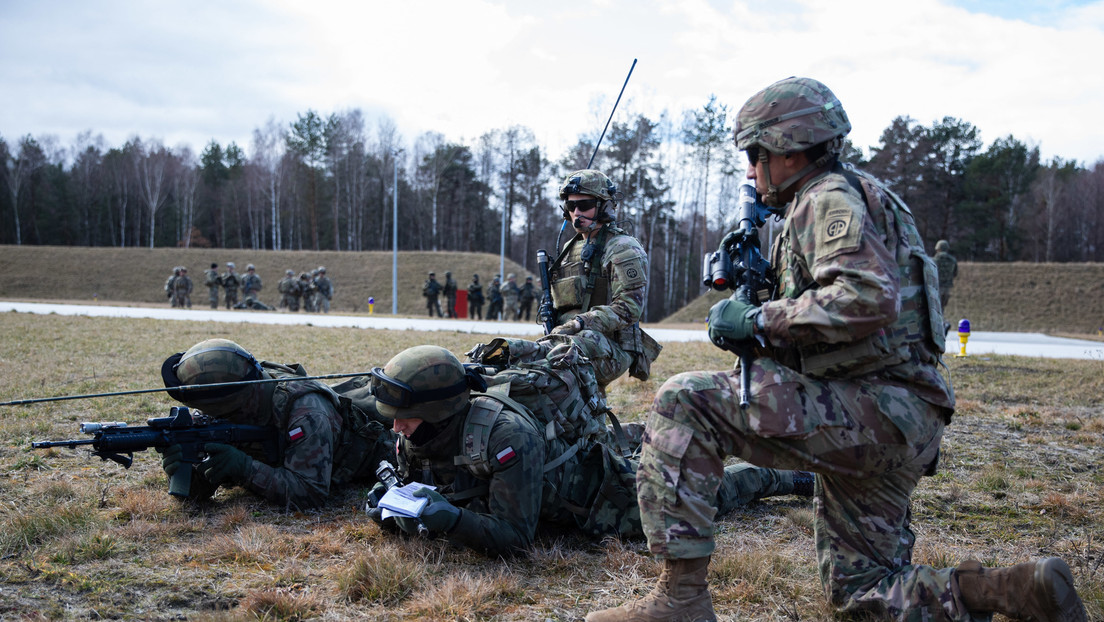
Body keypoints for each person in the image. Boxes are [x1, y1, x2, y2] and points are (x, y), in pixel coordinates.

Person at [587, 77, 1087, 622]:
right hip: (899, 417)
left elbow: (866, 297)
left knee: (684, 402)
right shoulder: (865, 197)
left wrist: (757, 318)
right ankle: (1012, 592)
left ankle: (680, 600)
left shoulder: (824, 199)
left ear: (791, 148)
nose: (751, 170)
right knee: (861, 592)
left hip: (869, 410)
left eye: (756, 154)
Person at [365, 345, 814, 559]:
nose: (396, 427)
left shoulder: (504, 437)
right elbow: (427, 486)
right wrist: (391, 506)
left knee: (693, 498)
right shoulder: (416, 430)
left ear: (440, 410)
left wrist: (453, 520)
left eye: (405, 418)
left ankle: (783, 475)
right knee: (637, 440)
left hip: (599, 496)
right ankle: (651, 435)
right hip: (546, 474)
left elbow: (516, 538)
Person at [158, 338, 394, 509]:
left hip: (380, 451)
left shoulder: (306, 412)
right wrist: (186, 471)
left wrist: (244, 468)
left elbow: (311, 494)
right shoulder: (240, 404)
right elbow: (202, 492)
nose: (205, 415)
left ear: (236, 406)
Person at [547, 169, 660, 387]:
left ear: (604, 205)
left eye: (585, 205)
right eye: (571, 206)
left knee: (559, 362)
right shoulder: (572, 248)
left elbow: (629, 308)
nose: (577, 212)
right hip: (574, 339)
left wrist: (580, 322)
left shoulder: (622, 248)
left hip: (610, 344)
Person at [934, 239, 959, 309]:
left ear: (938, 249)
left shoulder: (933, 260)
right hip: (947, 288)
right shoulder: (953, 260)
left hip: (936, 287)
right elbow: (955, 273)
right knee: (942, 308)